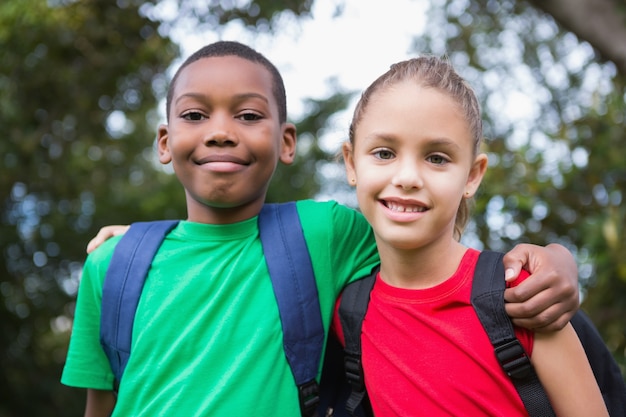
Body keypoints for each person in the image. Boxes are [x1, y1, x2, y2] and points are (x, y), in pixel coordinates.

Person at [62, 41, 580, 416]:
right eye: (195, 115)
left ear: (287, 141)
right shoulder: (115, 265)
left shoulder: (324, 235)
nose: (220, 133)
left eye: (247, 115)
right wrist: (139, 245)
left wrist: (556, 256)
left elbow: (425, 247)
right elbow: (101, 406)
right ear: (163, 141)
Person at [334, 55, 608, 416]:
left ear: (473, 176)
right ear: (352, 163)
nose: (407, 177)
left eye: (437, 158)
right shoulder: (348, 313)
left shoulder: (522, 298)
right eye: (384, 153)